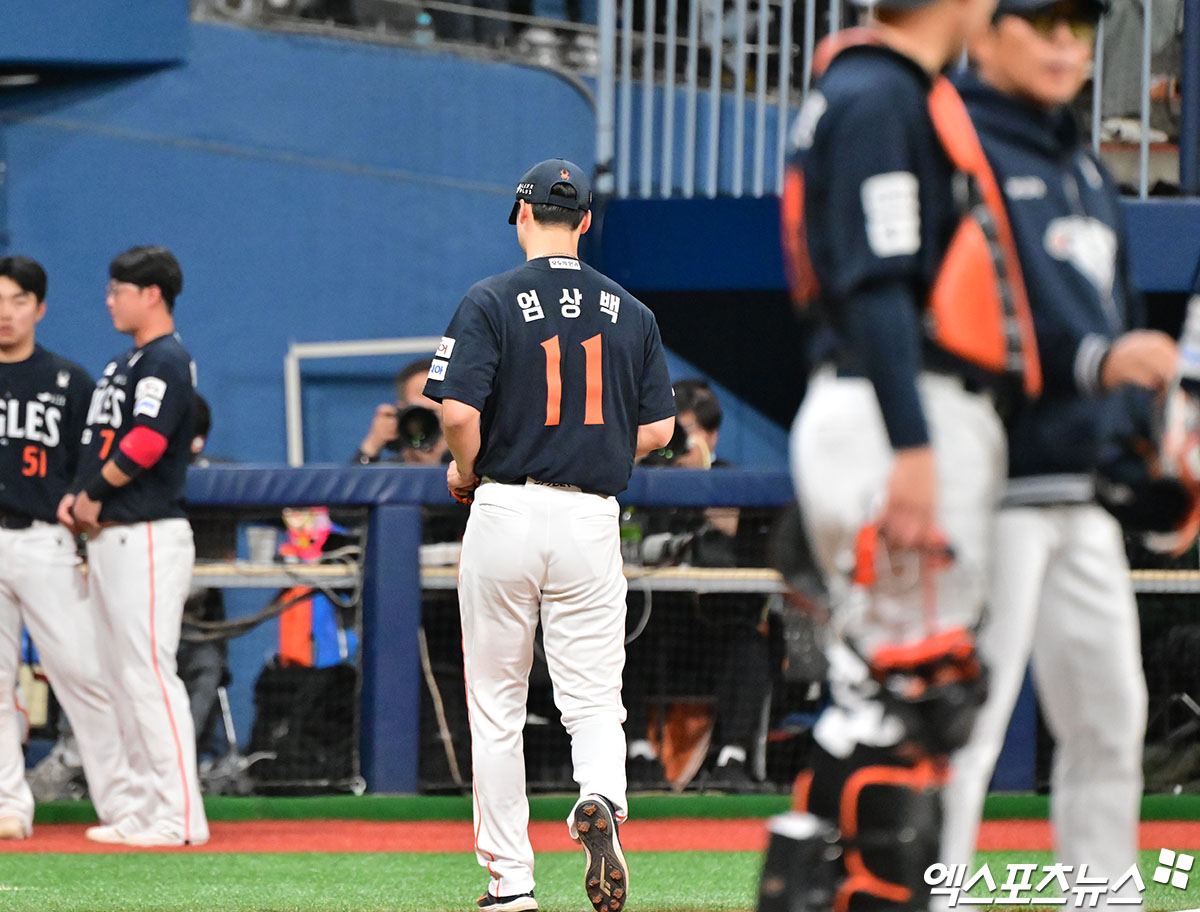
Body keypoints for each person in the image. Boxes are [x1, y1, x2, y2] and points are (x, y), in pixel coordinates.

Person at [759, 0, 1044, 904]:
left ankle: (806, 887)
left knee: (874, 701)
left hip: (867, 404)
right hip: (896, 406)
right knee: (918, 700)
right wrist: (912, 446)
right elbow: (879, 285)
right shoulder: (883, 94)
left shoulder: (854, 88)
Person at [939, 1, 1179, 898]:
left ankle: (1104, 894)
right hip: (985, 483)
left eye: (1078, 29)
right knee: (961, 726)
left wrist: (1142, 454)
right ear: (986, 30)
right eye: (1041, 24)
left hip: (1080, 493)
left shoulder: (1082, 162)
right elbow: (947, 315)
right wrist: (1093, 361)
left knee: (1113, 717)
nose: (1064, 46)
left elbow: (1121, 319)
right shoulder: (952, 141)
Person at [424, 158, 675, 912]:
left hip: (506, 504)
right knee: (594, 699)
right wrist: (591, 447)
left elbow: (456, 412)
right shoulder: (633, 311)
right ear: (586, 221)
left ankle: (511, 885)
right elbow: (660, 429)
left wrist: (468, 470)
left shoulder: (490, 298)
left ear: (522, 214)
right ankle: (599, 796)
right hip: (590, 514)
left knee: (497, 706)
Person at [57, 245, 209, 848]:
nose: (108, 300)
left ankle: (180, 818)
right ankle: (146, 810)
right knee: (122, 677)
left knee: (146, 674)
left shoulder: (166, 358)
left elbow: (146, 441)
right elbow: (103, 441)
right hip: (113, 537)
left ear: (151, 294)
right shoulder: (129, 361)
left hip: (145, 533)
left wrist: (92, 494)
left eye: (117, 290)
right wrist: (79, 495)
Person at [0, 255, 139, 840]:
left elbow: (96, 459)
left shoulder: (70, 380)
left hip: (45, 540)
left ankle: (123, 805)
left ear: (40, 308)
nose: (5, 313)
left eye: (18, 300)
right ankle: (8, 804)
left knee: (83, 672)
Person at [354, 358, 450, 466]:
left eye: (439, 395)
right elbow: (353, 477)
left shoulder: (465, 468)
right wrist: (371, 446)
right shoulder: (389, 471)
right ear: (402, 409)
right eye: (422, 393)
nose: (430, 403)